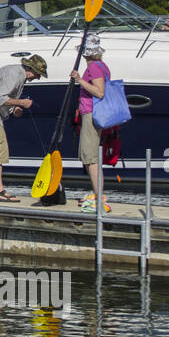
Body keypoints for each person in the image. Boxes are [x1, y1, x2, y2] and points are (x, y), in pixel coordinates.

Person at [0, 54, 48, 202]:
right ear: (30, 68)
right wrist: (22, 103)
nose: (37, 78)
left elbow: (2, 98)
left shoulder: (17, 74)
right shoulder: (15, 74)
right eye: (38, 74)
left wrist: (14, 109)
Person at [70, 35, 110, 212]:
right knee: (90, 156)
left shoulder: (94, 67)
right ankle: (97, 193)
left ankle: (99, 198)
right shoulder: (101, 66)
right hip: (91, 112)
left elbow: (99, 92)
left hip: (92, 113)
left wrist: (80, 80)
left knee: (90, 157)